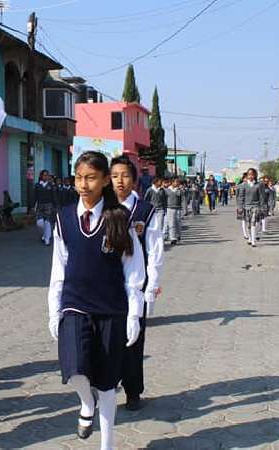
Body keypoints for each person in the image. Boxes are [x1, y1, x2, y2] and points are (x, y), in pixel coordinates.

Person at [48, 151, 145, 450]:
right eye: (79, 177)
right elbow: (58, 269)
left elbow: (134, 270)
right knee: (74, 368)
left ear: (104, 180)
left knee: (106, 383)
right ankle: (84, 403)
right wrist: (53, 311)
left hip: (111, 309)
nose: (84, 184)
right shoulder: (64, 218)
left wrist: (134, 314)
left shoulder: (119, 220)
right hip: (74, 304)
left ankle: (108, 444)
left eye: (91, 178)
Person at [110, 157, 163, 411]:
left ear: (134, 180)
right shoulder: (103, 208)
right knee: (109, 338)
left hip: (136, 285)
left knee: (134, 340)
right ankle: (109, 384)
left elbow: (154, 250)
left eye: (125, 176)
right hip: (107, 283)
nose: (120, 181)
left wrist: (151, 287)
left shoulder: (145, 211)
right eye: (114, 176)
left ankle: (133, 391)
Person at [236, 168, 265, 247]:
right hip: (246, 207)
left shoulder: (259, 185)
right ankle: (250, 237)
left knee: (253, 222)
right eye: (249, 174)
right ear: (247, 175)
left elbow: (262, 197)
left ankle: (253, 241)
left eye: (252, 174)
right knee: (248, 224)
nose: (251, 176)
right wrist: (240, 207)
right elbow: (241, 197)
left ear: (255, 175)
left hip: (256, 206)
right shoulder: (244, 185)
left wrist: (262, 207)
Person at [34, 170, 56, 246]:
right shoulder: (37, 185)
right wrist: (31, 206)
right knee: (39, 223)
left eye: (47, 175)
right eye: (44, 175)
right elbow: (34, 197)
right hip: (40, 205)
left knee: (47, 222)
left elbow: (54, 196)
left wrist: (55, 206)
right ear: (41, 176)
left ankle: (47, 239)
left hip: (49, 205)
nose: (45, 176)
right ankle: (44, 234)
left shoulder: (51, 185)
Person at [164, 178, 185, 245]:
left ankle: (178, 235)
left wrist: (184, 209)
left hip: (178, 209)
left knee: (178, 223)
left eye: (178, 182)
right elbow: (163, 199)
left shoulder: (179, 190)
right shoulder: (167, 190)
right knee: (171, 224)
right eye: (176, 182)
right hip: (170, 208)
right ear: (172, 182)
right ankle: (173, 238)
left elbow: (183, 200)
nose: (177, 183)